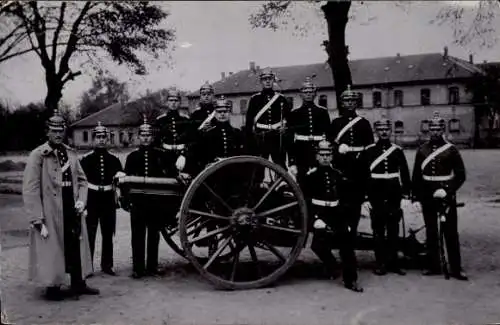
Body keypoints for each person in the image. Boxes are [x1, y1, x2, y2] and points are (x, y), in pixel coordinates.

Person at [22, 111, 98, 301]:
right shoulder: (37, 155)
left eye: (61, 130)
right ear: (47, 132)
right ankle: (53, 286)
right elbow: (30, 189)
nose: (58, 134)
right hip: (50, 209)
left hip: (70, 204)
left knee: (75, 244)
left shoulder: (70, 153)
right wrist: (37, 219)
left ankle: (78, 283)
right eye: (54, 131)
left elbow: (82, 180)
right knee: (53, 248)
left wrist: (82, 199)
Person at [411, 112, 468, 280]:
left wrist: (448, 190)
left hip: (445, 195)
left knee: (450, 232)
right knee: (431, 231)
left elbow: (460, 175)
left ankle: (456, 268)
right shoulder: (422, 150)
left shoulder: (451, 150)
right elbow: (416, 177)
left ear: (443, 130)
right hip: (428, 195)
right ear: (428, 130)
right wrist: (417, 197)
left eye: (438, 129)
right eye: (432, 129)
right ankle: (433, 265)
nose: (435, 132)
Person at [303, 139, 363, 293]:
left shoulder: (337, 175)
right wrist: (315, 219)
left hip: (336, 213)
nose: (325, 158)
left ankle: (351, 280)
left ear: (332, 157)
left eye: (328, 155)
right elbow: (306, 201)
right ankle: (332, 266)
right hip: (319, 213)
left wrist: (347, 222)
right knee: (317, 245)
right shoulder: (310, 176)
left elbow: (344, 200)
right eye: (321, 155)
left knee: (347, 243)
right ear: (316, 157)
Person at [123, 119, 173, 278]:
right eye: (143, 135)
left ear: (152, 137)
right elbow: (127, 181)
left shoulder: (161, 155)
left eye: (148, 135)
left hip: (155, 201)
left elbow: (170, 175)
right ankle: (138, 268)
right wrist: (126, 200)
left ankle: (152, 266)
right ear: (138, 137)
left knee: (154, 234)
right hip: (138, 202)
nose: (145, 138)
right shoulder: (132, 157)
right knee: (137, 235)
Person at [362, 117, 411, 276]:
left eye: (386, 129)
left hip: (393, 194)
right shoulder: (369, 150)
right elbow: (363, 175)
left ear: (390, 131)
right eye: (380, 130)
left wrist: (404, 196)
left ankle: (393, 263)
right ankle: (380, 263)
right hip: (375, 193)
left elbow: (404, 174)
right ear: (376, 132)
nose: (383, 132)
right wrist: (366, 197)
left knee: (393, 229)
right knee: (378, 230)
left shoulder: (397, 150)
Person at [328, 85, 374, 236]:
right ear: (341, 103)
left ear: (356, 103)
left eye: (352, 101)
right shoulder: (336, 123)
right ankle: (342, 232)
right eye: (346, 101)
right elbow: (329, 146)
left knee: (356, 202)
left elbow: (369, 148)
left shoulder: (364, 123)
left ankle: (352, 231)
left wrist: (364, 163)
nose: (349, 103)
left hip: (359, 169)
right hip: (341, 167)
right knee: (341, 201)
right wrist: (337, 150)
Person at [80, 122, 123, 276]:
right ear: (93, 139)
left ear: (107, 139)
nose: (101, 140)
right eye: (98, 137)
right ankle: (88, 266)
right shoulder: (85, 160)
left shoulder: (114, 159)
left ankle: (107, 265)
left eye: (104, 137)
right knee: (90, 233)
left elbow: (120, 179)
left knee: (107, 233)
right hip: (92, 199)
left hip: (108, 200)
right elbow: (81, 182)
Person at [244, 68, 291, 175]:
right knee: (258, 167)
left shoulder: (281, 99)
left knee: (280, 167)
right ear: (261, 81)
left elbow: (289, 119)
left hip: (277, 138)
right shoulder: (255, 99)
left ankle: (281, 188)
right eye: (265, 79)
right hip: (261, 137)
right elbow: (249, 122)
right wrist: (250, 140)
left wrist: (285, 128)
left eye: (270, 78)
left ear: (273, 80)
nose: (268, 81)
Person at [287, 77, 331, 186]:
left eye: (311, 92)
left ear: (315, 94)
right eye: (305, 92)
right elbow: (290, 139)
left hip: (319, 151)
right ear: (300, 94)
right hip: (301, 151)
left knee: (321, 180)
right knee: (303, 181)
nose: (308, 94)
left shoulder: (322, 112)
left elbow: (329, 134)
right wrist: (292, 162)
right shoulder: (294, 113)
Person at [154, 87, 191, 174]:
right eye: (171, 100)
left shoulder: (186, 119)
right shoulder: (160, 120)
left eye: (176, 100)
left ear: (180, 102)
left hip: (182, 155)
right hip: (165, 156)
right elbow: (156, 142)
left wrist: (183, 155)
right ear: (167, 102)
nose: (173, 103)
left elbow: (190, 140)